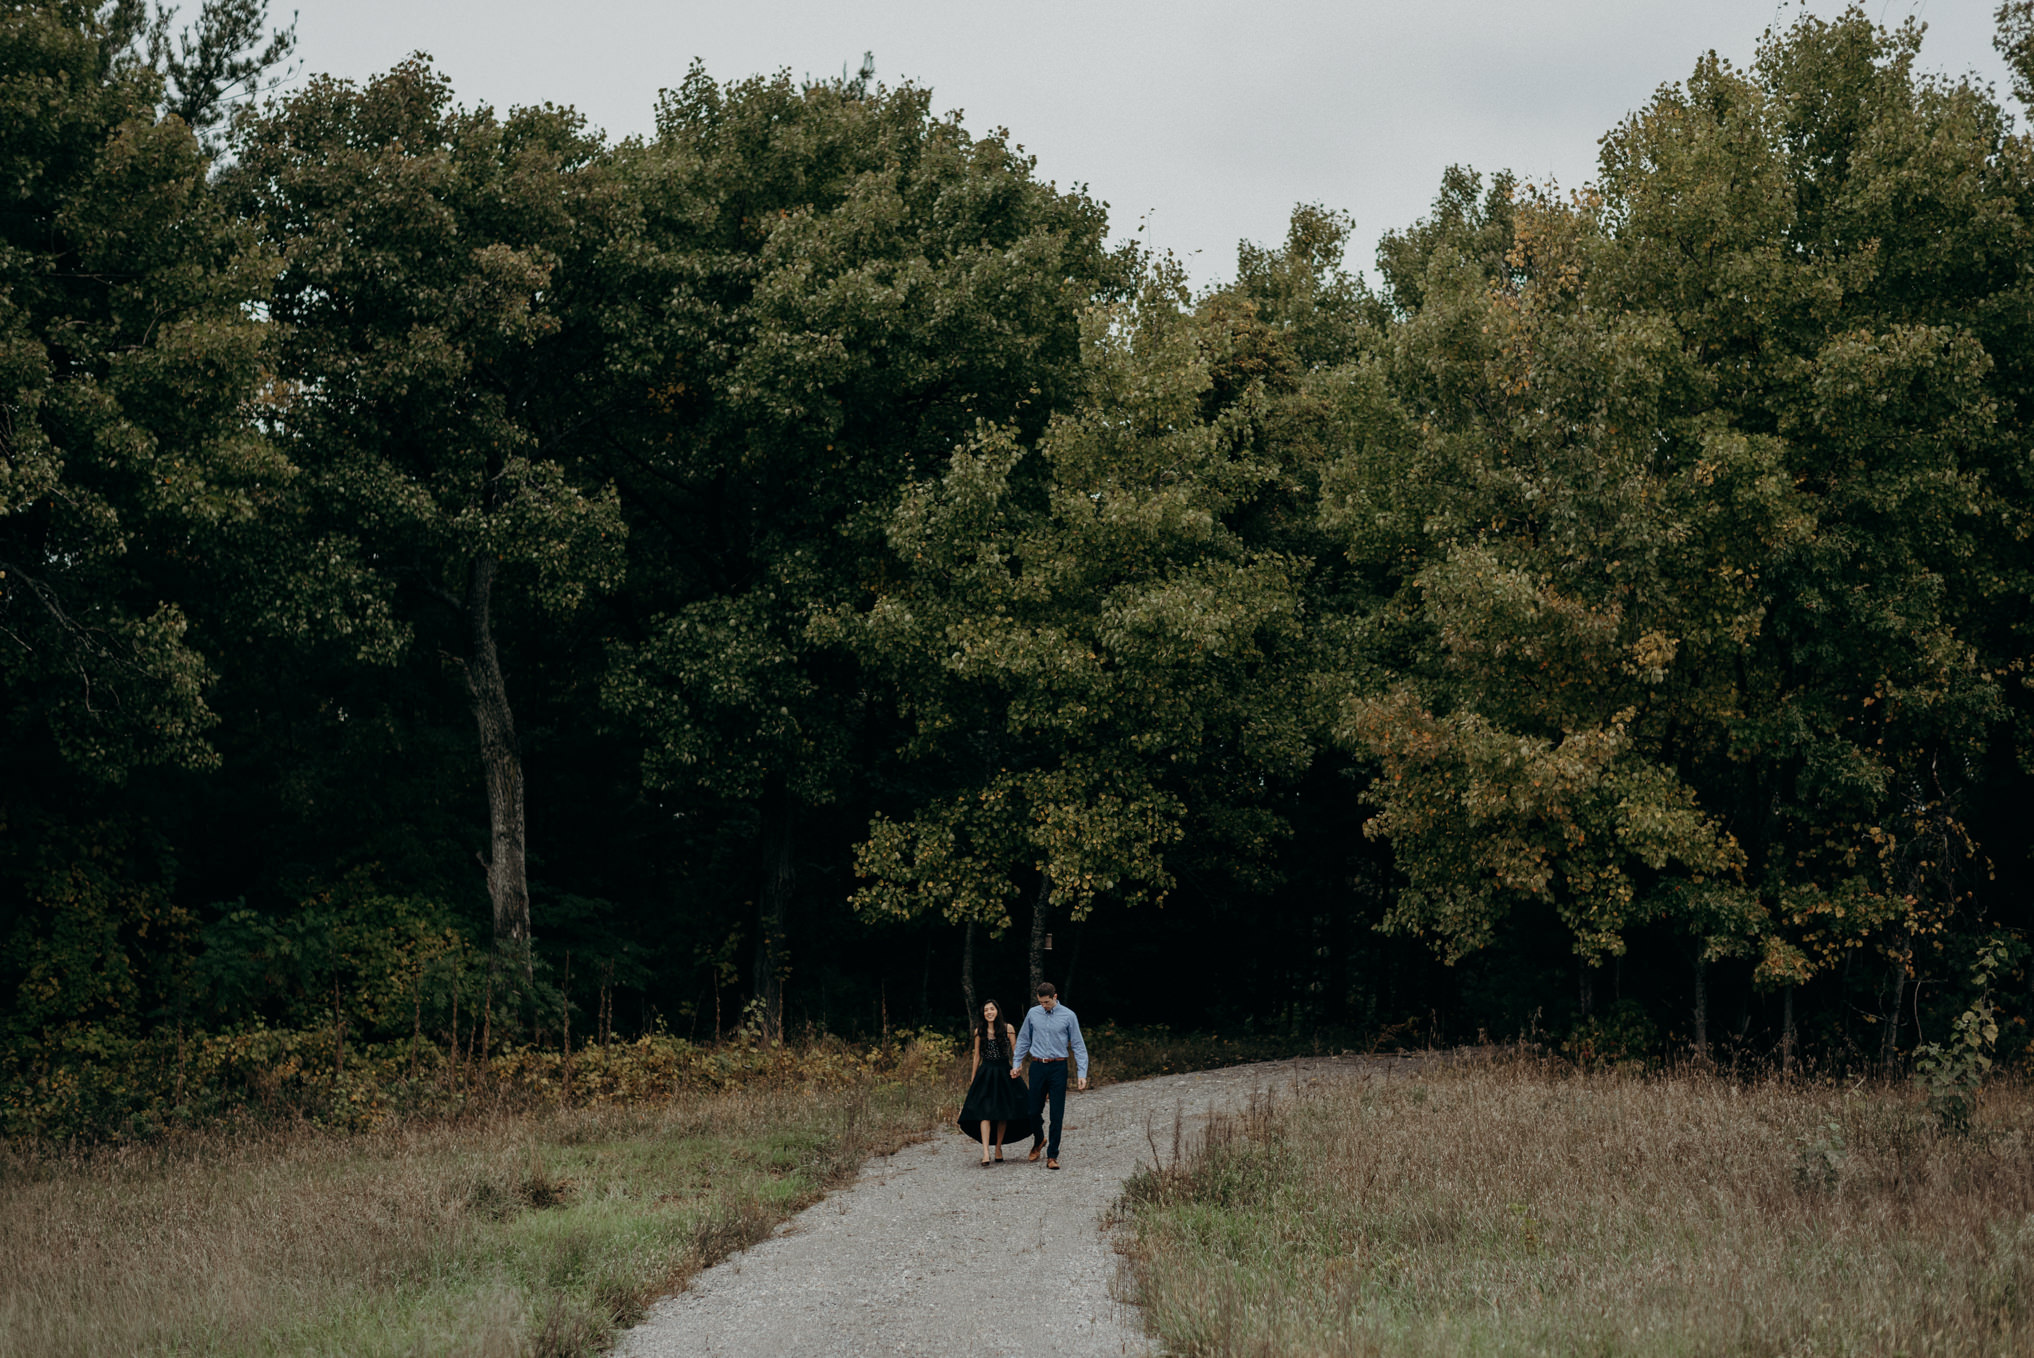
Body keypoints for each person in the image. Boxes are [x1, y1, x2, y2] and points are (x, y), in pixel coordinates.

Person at [1010, 980, 1087, 1169]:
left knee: (1057, 1114)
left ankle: (1052, 1155)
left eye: (1046, 1002)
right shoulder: (1033, 1014)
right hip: (1037, 1066)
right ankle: (1039, 1139)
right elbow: (1023, 1040)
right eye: (1040, 1002)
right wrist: (1017, 1063)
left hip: (1058, 1067)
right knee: (1032, 1111)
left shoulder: (1069, 1016)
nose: (1043, 1006)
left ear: (1055, 997)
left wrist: (1082, 1073)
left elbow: (1078, 1045)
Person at [956, 999, 1034, 1164]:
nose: (989, 1012)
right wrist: (973, 1077)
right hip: (986, 1073)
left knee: (1002, 1113)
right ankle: (985, 1152)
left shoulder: (1008, 1028)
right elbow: (976, 1055)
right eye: (986, 1010)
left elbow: (1016, 1051)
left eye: (991, 1009)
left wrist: (1018, 1068)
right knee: (984, 1113)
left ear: (997, 1011)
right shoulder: (979, 1031)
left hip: (1004, 1073)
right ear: (983, 1014)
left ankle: (998, 1147)